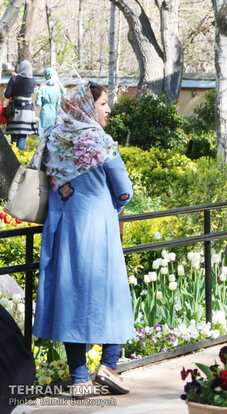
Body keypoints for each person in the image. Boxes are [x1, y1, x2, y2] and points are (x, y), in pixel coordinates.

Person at [32, 81, 134, 397]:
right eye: (104, 103)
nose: (108, 109)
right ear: (89, 106)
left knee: (70, 298)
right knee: (112, 295)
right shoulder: (99, 141)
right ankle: (109, 365)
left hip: (62, 230)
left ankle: (79, 379)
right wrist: (109, 203)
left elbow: (38, 176)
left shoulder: (51, 137)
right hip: (98, 231)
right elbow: (123, 188)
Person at [3, 61, 37, 151]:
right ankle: (20, 155)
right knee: (23, 135)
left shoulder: (14, 79)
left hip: (15, 110)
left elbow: (7, 95)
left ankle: (13, 158)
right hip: (28, 111)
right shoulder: (34, 80)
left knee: (14, 135)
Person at [35, 67, 63, 137]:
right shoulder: (58, 88)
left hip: (44, 113)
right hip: (55, 113)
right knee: (53, 135)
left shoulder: (42, 88)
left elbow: (38, 104)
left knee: (43, 136)